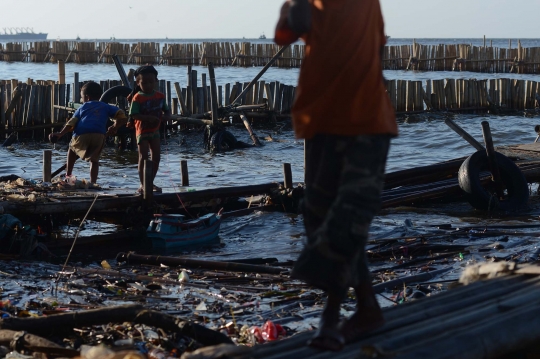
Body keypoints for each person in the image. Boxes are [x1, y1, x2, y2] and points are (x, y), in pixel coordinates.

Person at [275, 0, 398, 351]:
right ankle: (368, 308)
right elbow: (283, 35)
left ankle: (330, 316)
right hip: (320, 121)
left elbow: (374, 44)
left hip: (367, 119)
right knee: (318, 215)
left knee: (351, 213)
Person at [51, 81, 127, 185]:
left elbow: (71, 123)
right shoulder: (105, 106)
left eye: (82, 98)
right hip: (99, 135)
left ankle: (68, 176)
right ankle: (93, 183)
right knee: (94, 160)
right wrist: (115, 126)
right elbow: (121, 115)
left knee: (72, 150)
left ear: (87, 97)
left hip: (81, 134)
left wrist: (60, 133)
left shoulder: (83, 107)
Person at [128, 65, 171, 194]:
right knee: (143, 157)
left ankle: (150, 182)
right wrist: (148, 118)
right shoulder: (137, 97)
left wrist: (166, 117)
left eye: (151, 82)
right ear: (138, 83)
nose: (148, 85)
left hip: (155, 131)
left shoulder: (160, 96)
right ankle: (143, 184)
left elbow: (167, 111)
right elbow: (134, 115)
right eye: (144, 83)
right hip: (142, 132)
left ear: (156, 81)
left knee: (156, 157)